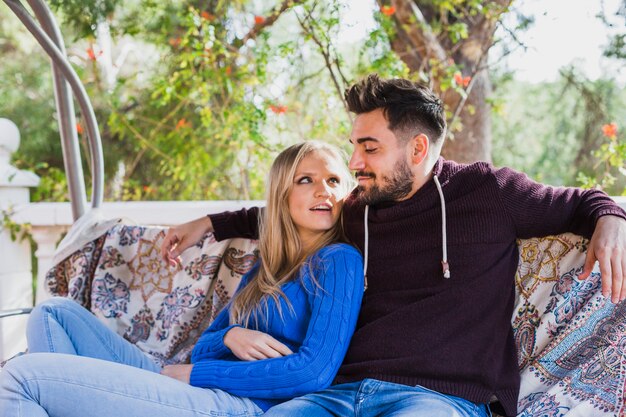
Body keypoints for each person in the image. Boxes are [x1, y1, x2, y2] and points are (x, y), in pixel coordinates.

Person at [160, 74, 626, 417]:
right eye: (354, 146)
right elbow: (290, 209)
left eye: (370, 148)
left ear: (418, 150)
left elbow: (580, 201)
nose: (354, 162)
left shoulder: (489, 192)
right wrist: (208, 222)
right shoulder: (358, 206)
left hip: (439, 399)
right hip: (336, 395)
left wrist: (610, 217)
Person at [0, 141, 365, 417]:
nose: (325, 191)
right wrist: (230, 335)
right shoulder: (267, 266)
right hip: (188, 380)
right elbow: (203, 346)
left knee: (21, 377)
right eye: (307, 180)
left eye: (334, 180)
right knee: (52, 314)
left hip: (234, 404)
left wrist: (196, 376)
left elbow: (312, 373)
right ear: (282, 196)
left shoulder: (337, 261)